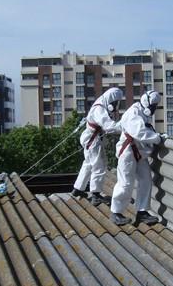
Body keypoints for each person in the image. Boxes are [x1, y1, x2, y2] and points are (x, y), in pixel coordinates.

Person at [110, 89, 167, 225]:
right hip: (128, 152)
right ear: (146, 103)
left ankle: (142, 211)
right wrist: (158, 139)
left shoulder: (142, 112)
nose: (153, 109)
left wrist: (157, 135)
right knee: (125, 184)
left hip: (139, 152)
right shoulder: (134, 112)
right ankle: (116, 213)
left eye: (155, 107)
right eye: (152, 106)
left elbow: (146, 129)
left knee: (146, 180)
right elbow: (140, 132)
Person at [71, 87, 123, 206]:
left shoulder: (101, 104)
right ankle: (95, 194)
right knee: (99, 165)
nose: (115, 105)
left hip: (91, 139)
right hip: (93, 141)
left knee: (88, 164)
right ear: (111, 100)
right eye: (115, 103)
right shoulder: (99, 110)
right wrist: (124, 126)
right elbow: (109, 127)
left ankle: (78, 189)